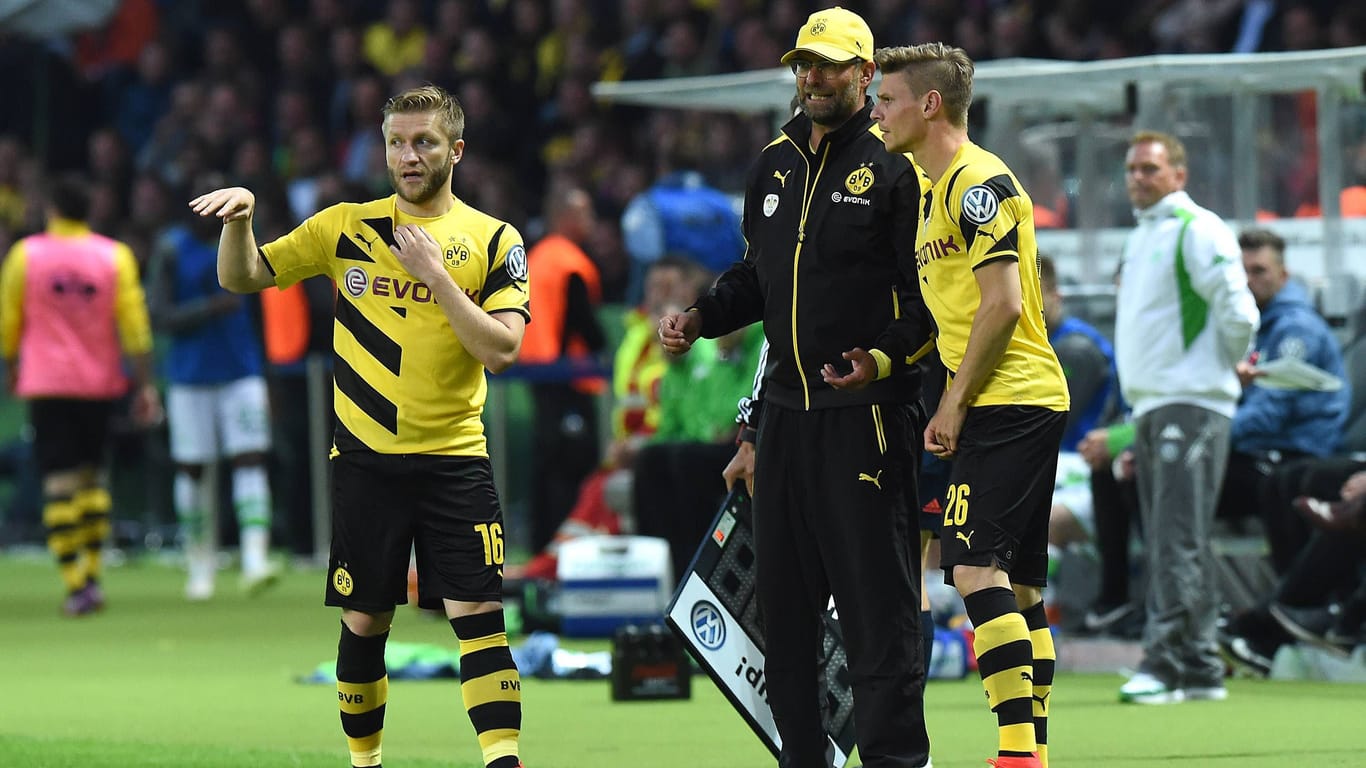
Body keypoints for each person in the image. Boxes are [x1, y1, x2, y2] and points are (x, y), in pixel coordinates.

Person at [191, 85, 526, 768]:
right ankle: (365, 763)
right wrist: (241, 221)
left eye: (424, 142)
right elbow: (244, 278)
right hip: (366, 460)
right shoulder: (345, 225)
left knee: (479, 616)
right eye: (397, 142)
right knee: (366, 621)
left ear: (454, 150)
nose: (408, 155)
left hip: (455, 458)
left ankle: (504, 760)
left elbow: (500, 348)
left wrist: (434, 276)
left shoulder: (494, 238)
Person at [660, 9, 934, 767]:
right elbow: (758, 279)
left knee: (879, 616)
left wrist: (880, 362)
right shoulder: (772, 163)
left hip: (868, 421)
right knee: (784, 622)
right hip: (784, 426)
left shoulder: (896, 165)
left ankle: (895, 762)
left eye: (832, 66)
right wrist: (703, 315)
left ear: (866, 74)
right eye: (805, 64)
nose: (813, 77)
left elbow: (928, 303)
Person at [872, 43, 1070, 768]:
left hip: (1006, 399)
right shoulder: (932, 189)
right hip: (1014, 399)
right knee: (1016, 583)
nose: (876, 112)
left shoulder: (976, 180)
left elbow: (1004, 305)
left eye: (887, 99)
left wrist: (952, 405)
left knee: (970, 570)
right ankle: (1030, 752)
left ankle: (1016, 756)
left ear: (929, 105)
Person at [1112, 130, 1259, 704]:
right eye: (1131, 168)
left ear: (1179, 173)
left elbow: (1238, 309)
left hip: (1190, 401)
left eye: (1150, 168)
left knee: (1174, 538)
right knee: (1175, 535)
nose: (1138, 178)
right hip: (1155, 402)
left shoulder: (1199, 229)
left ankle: (1165, 662)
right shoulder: (1142, 237)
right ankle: (1199, 666)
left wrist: (1222, 367)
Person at [0, 173, 162, 615]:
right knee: (92, 478)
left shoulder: (25, 255)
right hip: (98, 382)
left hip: (48, 383)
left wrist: (13, 368)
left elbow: (8, 320)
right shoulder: (114, 256)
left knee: (58, 482)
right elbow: (134, 324)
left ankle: (75, 583)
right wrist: (145, 383)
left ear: (52, 209)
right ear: (89, 211)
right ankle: (92, 571)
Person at [148, 173, 278, 600]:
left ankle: (255, 557)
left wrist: (268, 371)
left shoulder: (245, 240)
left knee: (250, 458)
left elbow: (262, 310)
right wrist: (208, 308)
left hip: (242, 370)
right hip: (189, 375)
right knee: (192, 466)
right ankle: (199, 563)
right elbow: (160, 314)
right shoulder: (170, 248)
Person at [1217, 227, 1350, 572]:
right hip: (1262, 449)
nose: (1248, 280)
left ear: (1283, 274)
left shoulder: (1295, 330)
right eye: (1241, 271)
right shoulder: (1256, 326)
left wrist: (1209, 437)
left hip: (1292, 452)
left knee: (1178, 476)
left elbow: (1268, 416)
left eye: (1258, 270)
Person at [520, 182, 607, 553]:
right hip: (567, 377)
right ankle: (565, 549)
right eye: (584, 212)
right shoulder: (569, 262)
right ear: (566, 216)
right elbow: (583, 325)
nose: (591, 220)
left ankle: (543, 545)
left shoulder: (537, 255)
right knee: (571, 468)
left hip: (537, 374)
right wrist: (601, 343)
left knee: (546, 465)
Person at [1038, 254, 1117, 452]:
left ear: (1056, 296)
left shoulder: (1076, 350)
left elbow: (1051, 422)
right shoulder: (1047, 342)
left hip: (1079, 462)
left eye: (1034, 295)